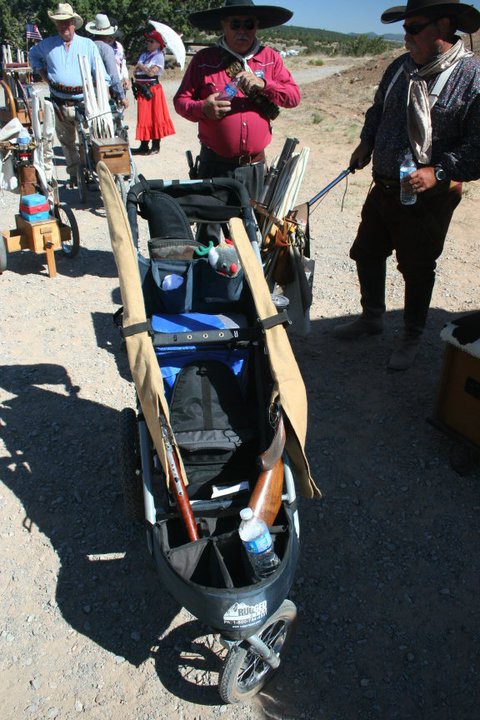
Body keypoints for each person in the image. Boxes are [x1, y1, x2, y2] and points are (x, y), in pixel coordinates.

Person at [333, 0, 480, 371]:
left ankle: (411, 336)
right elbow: (378, 109)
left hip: (428, 197)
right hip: (384, 186)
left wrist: (439, 172)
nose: (406, 36)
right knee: (366, 252)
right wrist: (366, 142)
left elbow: (477, 145)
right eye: (405, 28)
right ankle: (372, 317)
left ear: (443, 26)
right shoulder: (400, 67)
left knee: (416, 267)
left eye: (414, 27)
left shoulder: (471, 77)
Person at [173, 0, 300, 201]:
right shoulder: (204, 60)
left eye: (248, 24)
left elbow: (293, 97)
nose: (242, 30)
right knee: (211, 220)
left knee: (252, 221)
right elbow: (180, 101)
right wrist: (203, 108)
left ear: (256, 26)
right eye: (235, 24)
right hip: (214, 166)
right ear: (224, 25)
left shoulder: (270, 58)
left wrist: (264, 84)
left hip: (254, 168)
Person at [29, 2, 110, 186]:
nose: (64, 26)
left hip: (84, 101)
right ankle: (75, 175)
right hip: (59, 101)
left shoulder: (87, 45)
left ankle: (91, 171)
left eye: (67, 22)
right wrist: (42, 73)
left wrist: (104, 95)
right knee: (66, 142)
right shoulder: (47, 45)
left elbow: (101, 74)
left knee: (89, 139)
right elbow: (33, 54)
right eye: (60, 22)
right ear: (56, 24)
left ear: (74, 23)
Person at [131, 25, 175, 155]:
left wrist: (141, 66)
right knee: (143, 116)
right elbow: (135, 72)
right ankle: (144, 145)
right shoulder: (144, 54)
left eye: (151, 41)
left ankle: (156, 146)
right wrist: (142, 67)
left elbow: (151, 73)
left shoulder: (159, 56)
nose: (148, 43)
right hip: (142, 89)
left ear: (158, 43)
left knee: (155, 116)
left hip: (152, 89)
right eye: (147, 41)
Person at [84, 14, 128, 108]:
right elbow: (113, 75)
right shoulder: (106, 49)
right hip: (101, 91)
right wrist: (122, 96)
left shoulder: (86, 46)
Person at [101, 16, 129, 91]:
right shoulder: (99, 47)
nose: (111, 37)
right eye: (109, 35)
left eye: (113, 35)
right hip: (104, 83)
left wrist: (126, 78)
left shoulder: (119, 46)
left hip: (117, 82)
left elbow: (122, 63)